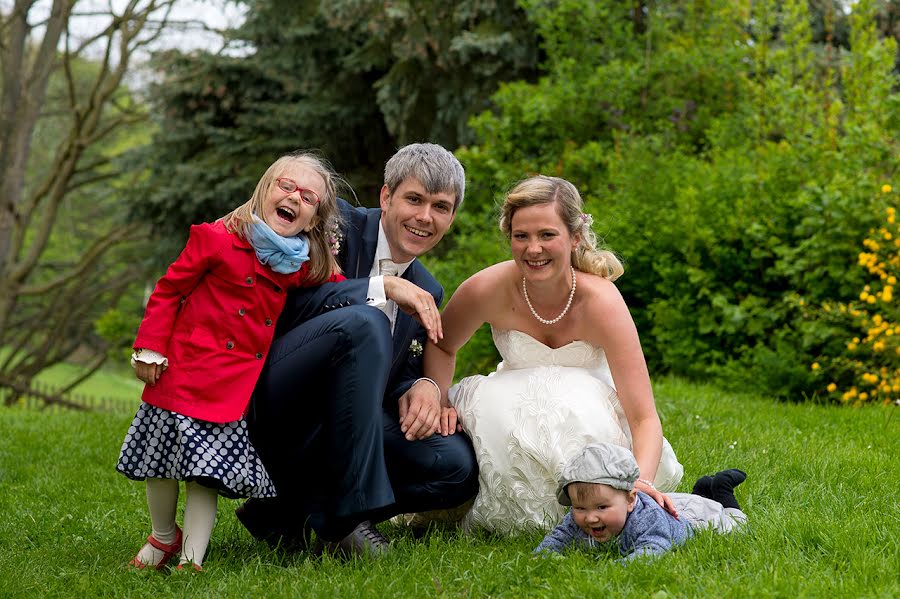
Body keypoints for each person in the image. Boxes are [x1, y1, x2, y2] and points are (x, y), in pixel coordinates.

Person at [236, 143, 479, 558]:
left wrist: (420, 383)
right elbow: (279, 303)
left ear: (451, 217)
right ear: (386, 197)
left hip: (343, 420)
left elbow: (385, 370)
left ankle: (290, 510)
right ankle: (347, 520)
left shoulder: (429, 289)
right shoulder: (332, 222)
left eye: (440, 207)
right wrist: (380, 288)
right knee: (364, 322)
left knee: (454, 466)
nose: (425, 217)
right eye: (414, 199)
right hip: (273, 394)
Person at [116, 152, 345, 571]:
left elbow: (334, 288)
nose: (294, 196)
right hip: (182, 371)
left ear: (312, 221)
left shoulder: (296, 264)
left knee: (206, 474)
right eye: (286, 186)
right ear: (264, 191)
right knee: (160, 463)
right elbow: (169, 291)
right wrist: (149, 347)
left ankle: (192, 558)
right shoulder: (218, 238)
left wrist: (372, 290)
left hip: (229, 389)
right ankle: (164, 536)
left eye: (308, 197)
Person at [425, 175, 683, 532]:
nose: (533, 249)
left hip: (586, 418)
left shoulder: (602, 302)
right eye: (521, 236)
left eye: (547, 235)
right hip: (507, 411)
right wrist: (437, 396)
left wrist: (641, 482)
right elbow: (442, 343)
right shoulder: (487, 287)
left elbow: (643, 417)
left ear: (574, 236)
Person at [534, 443, 747, 561]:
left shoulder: (648, 520)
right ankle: (701, 489)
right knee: (695, 500)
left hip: (690, 520)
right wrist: (545, 555)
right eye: (580, 507)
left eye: (601, 507)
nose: (590, 517)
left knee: (735, 526)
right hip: (664, 507)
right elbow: (558, 537)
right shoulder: (580, 516)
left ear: (630, 500)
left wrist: (620, 566)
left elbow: (654, 547)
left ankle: (722, 490)